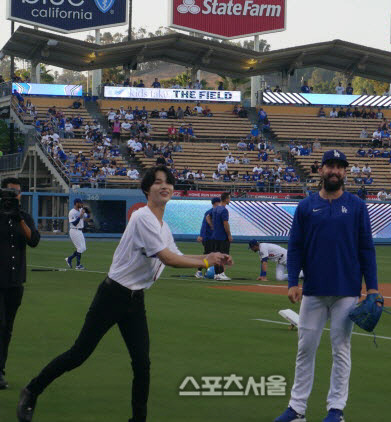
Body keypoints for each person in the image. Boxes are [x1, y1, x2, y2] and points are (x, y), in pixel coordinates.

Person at [16, 166, 232, 422]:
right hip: (113, 295)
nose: (165, 186)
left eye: (168, 183)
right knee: (79, 353)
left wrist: (208, 257)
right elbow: (168, 259)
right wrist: (206, 263)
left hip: (135, 299)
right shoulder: (142, 217)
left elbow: (178, 255)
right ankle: (31, 391)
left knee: (142, 364)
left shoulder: (162, 225)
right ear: (146, 189)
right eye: (158, 182)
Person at [274, 149, 379, 422]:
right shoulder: (306, 206)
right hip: (313, 290)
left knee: (341, 349)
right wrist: (292, 281)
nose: (334, 171)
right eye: (329, 166)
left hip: (346, 290)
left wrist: (374, 288)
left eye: (339, 167)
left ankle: (336, 410)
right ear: (320, 170)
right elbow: (295, 247)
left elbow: (366, 248)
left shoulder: (356, 206)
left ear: (345, 172)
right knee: (305, 348)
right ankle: (297, 409)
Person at [0, 178, 40, 390]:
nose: (13, 195)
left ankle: (1, 369)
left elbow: (33, 240)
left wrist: (19, 219)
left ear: (21, 195)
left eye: (16, 192)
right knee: (0, 325)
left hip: (16, 282)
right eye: (9, 191)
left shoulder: (24, 217)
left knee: (7, 329)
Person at [206, 192, 232, 281]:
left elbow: (208, 217)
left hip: (215, 236)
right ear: (226, 199)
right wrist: (229, 235)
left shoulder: (215, 209)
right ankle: (221, 273)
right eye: (229, 198)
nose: (230, 199)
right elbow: (225, 223)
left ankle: (217, 274)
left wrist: (212, 226)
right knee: (223, 256)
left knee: (216, 256)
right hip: (222, 236)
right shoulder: (224, 210)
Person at [195, 197, 221, 278]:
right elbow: (204, 225)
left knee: (211, 255)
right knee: (207, 255)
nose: (220, 204)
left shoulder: (214, 212)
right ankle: (199, 271)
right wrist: (202, 236)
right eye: (219, 202)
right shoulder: (211, 212)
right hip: (208, 237)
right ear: (215, 203)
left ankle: (209, 272)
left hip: (212, 237)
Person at [65, 198, 90, 270]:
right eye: (80, 203)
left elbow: (88, 216)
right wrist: (80, 215)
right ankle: (78, 265)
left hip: (80, 231)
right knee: (80, 248)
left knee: (83, 248)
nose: (81, 204)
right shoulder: (72, 212)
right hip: (74, 230)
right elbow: (74, 223)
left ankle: (69, 259)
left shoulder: (80, 210)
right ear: (76, 203)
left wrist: (87, 211)